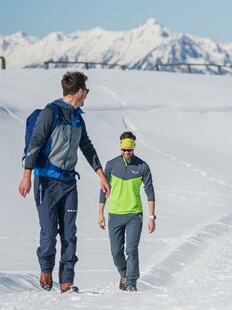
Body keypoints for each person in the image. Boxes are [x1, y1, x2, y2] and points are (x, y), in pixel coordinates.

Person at [18, 71, 110, 293]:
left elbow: (86, 146)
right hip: (47, 182)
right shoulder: (51, 113)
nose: (87, 94)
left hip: (69, 183)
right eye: (86, 91)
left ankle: (67, 282)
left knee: (69, 233)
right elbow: (36, 143)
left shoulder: (78, 117)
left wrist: (100, 174)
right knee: (49, 233)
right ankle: (46, 269)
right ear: (79, 91)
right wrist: (27, 175)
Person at [98, 131, 156, 292]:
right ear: (120, 148)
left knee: (131, 249)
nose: (126, 153)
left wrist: (151, 217)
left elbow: (150, 191)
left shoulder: (142, 166)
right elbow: (103, 190)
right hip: (115, 214)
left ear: (134, 148)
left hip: (134, 215)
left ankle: (131, 283)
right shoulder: (111, 165)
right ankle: (124, 274)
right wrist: (100, 214)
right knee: (116, 251)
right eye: (123, 149)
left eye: (129, 150)